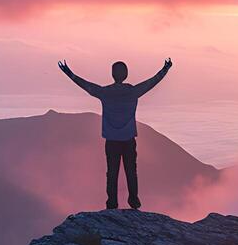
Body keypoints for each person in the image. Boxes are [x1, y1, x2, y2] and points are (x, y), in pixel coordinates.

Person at [58, 57, 173, 209]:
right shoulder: (133, 92)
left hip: (111, 140)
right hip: (128, 139)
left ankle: (112, 203)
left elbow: (86, 86)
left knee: (112, 173)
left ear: (113, 74)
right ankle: (134, 201)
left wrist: (69, 73)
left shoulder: (105, 93)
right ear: (126, 74)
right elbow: (151, 82)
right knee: (131, 171)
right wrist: (165, 69)